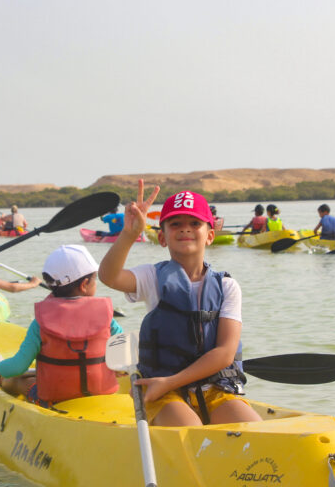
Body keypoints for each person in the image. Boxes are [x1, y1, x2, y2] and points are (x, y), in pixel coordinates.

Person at [99, 181, 262, 427]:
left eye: (194, 223)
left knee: (254, 430)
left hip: (215, 387)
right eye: (176, 224)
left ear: (209, 236)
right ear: (162, 238)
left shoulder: (227, 286)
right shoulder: (152, 278)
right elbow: (109, 276)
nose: (185, 229)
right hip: (162, 390)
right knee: (191, 431)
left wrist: (172, 381)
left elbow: (225, 352)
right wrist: (129, 234)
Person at [0, 245, 122, 407]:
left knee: (18, 380)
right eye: (95, 279)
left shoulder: (41, 324)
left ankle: (5, 382)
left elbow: (17, 367)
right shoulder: (107, 318)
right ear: (84, 284)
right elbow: (124, 356)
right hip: (102, 396)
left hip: (55, 400)